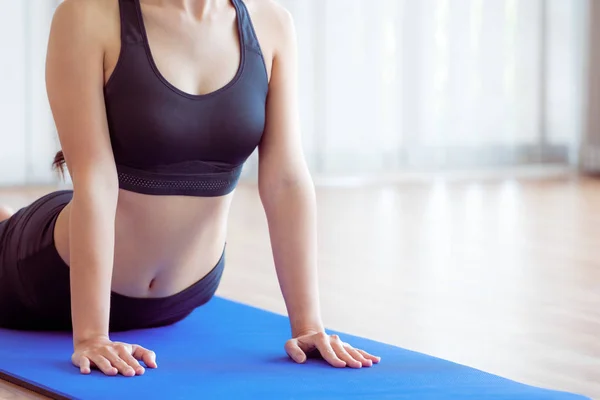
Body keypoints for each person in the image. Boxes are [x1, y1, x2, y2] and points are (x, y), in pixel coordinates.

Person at [0, 0, 380, 377]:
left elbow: (286, 179)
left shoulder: (272, 24)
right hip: (49, 278)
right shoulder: (87, 16)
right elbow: (96, 181)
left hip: (186, 295)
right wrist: (92, 335)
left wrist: (309, 326)